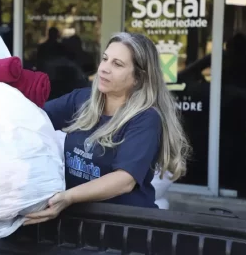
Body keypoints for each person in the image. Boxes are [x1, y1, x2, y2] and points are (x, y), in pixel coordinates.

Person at [23, 32, 191, 225]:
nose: (104, 69)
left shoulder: (145, 119)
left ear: (138, 78)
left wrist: (68, 197)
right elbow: (33, 118)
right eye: (105, 59)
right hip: (79, 221)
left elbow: (124, 180)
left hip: (123, 226)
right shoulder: (82, 99)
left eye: (117, 64)